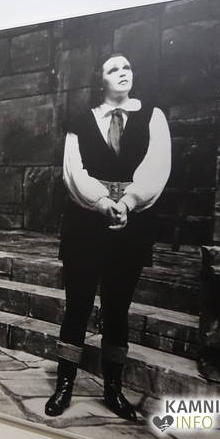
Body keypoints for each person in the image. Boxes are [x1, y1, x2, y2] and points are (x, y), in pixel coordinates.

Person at [45, 53, 171, 420]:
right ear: (99, 79)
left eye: (127, 67)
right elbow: (73, 172)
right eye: (113, 69)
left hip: (132, 225)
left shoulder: (152, 117)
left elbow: (157, 165)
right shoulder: (80, 121)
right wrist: (102, 203)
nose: (122, 73)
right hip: (85, 223)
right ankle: (64, 385)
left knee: (117, 309)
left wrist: (128, 202)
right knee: (78, 305)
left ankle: (113, 390)